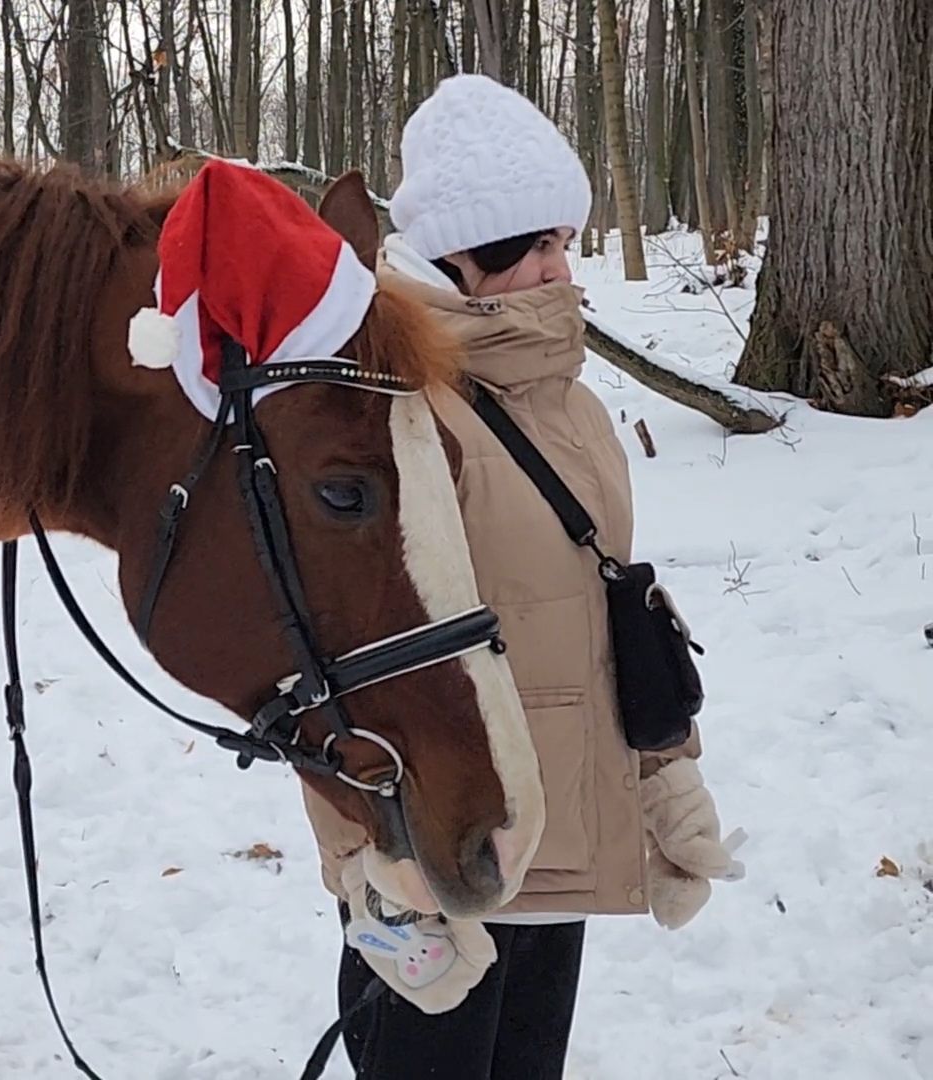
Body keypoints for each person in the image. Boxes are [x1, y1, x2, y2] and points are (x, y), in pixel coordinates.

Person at [299, 74, 744, 1080]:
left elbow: (618, 610)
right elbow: (330, 661)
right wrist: (367, 869)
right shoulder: (395, 415)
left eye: (563, 242)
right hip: (442, 859)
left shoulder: (574, 409)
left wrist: (667, 773)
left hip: (568, 832)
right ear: (457, 259)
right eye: (531, 247)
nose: (559, 270)